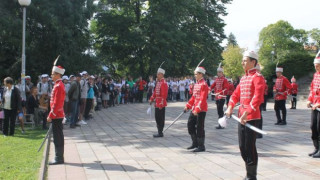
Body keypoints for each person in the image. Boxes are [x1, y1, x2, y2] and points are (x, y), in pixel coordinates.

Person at [225, 51, 265, 180]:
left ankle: (251, 176)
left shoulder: (258, 77)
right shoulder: (243, 78)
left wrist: (247, 113)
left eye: (245, 60)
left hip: (251, 117)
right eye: (242, 60)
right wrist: (230, 106)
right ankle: (248, 172)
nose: (242, 63)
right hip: (241, 116)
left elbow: (257, 98)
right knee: (242, 146)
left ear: (253, 62)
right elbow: (236, 94)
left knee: (250, 146)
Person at [185, 66, 209, 152]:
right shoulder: (196, 84)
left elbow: (202, 99)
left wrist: (197, 109)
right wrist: (188, 105)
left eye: (196, 74)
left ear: (200, 74)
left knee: (200, 128)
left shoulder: (204, 84)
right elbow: (193, 97)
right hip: (194, 109)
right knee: (190, 125)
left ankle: (201, 146)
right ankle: (194, 143)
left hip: (201, 110)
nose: (194, 75)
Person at [47, 57, 66, 165]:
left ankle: (59, 158)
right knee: (58, 136)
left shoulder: (58, 86)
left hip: (57, 115)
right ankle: (58, 157)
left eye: (53, 74)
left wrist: (51, 115)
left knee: (58, 137)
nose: (51, 76)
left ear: (58, 74)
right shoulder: (58, 85)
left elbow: (57, 103)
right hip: (58, 115)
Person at [307, 51, 320, 158]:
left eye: (318, 66)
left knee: (319, 127)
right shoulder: (316, 75)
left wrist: (319, 104)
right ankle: (316, 147)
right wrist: (309, 100)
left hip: (319, 106)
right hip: (314, 106)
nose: (316, 68)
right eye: (315, 66)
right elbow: (312, 89)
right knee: (313, 127)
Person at [149, 67, 168, 138]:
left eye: (158, 74)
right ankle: (159, 131)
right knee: (157, 117)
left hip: (161, 103)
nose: (157, 75)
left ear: (162, 74)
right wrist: (151, 99)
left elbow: (164, 95)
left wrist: (161, 104)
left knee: (160, 118)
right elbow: (155, 92)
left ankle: (160, 132)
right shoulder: (158, 82)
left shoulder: (164, 83)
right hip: (157, 102)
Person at [210, 63, 229, 129]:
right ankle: (221, 123)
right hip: (217, 97)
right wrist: (209, 89)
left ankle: (221, 124)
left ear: (222, 73)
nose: (219, 73)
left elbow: (226, 88)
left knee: (220, 110)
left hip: (222, 97)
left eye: (220, 72)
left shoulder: (225, 79)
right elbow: (212, 85)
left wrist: (220, 93)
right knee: (219, 110)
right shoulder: (217, 79)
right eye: (218, 72)